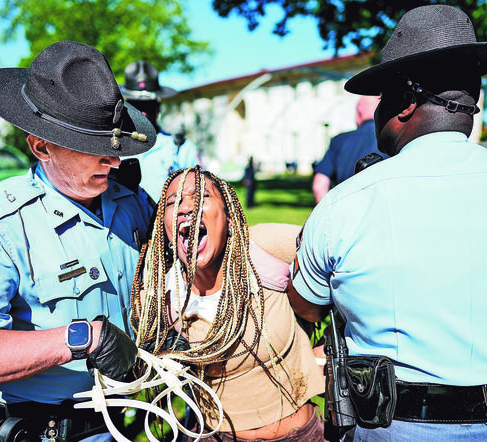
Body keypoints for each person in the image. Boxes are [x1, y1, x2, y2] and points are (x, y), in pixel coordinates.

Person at [286, 4, 487, 441]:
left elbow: (303, 308)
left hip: (391, 430)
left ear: (404, 102)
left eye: (382, 98)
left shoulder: (345, 205)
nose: (378, 112)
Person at [0, 40, 157, 441]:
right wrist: (81, 338)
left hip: (123, 422)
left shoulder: (129, 201)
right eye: (94, 148)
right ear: (41, 145)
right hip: (43, 431)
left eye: (112, 148)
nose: (114, 161)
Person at [130, 166, 325, 441]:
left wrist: (331, 343)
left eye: (200, 196)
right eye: (173, 201)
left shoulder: (261, 248)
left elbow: (344, 256)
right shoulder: (162, 294)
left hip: (302, 435)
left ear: (230, 217)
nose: (186, 207)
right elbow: (137, 372)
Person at [119, 60, 203, 201]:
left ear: (158, 106)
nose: (143, 112)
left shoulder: (180, 147)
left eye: (148, 105)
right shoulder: (112, 145)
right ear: (126, 107)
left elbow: (199, 191)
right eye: (136, 104)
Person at [312, 95, 385, 203]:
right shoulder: (392, 139)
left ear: (359, 110)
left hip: (345, 209)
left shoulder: (339, 140)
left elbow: (319, 186)